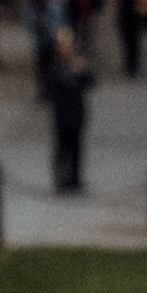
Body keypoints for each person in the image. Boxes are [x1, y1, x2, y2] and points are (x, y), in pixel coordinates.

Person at [48, 27, 91, 195]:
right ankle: (61, 179)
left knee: (76, 148)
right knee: (62, 149)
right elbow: (51, 89)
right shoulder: (55, 67)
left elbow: (90, 83)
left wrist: (81, 72)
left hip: (77, 113)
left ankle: (75, 179)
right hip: (62, 115)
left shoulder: (77, 64)